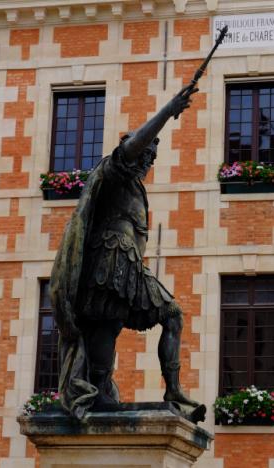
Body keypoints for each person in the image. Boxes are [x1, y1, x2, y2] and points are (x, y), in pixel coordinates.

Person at [50, 85, 199, 419]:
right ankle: (96, 389)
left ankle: (173, 389)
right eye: (145, 157)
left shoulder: (134, 187)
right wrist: (168, 110)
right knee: (104, 337)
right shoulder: (114, 172)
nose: (147, 163)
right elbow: (134, 145)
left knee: (172, 315)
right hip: (107, 266)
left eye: (150, 160)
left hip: (129, 266)